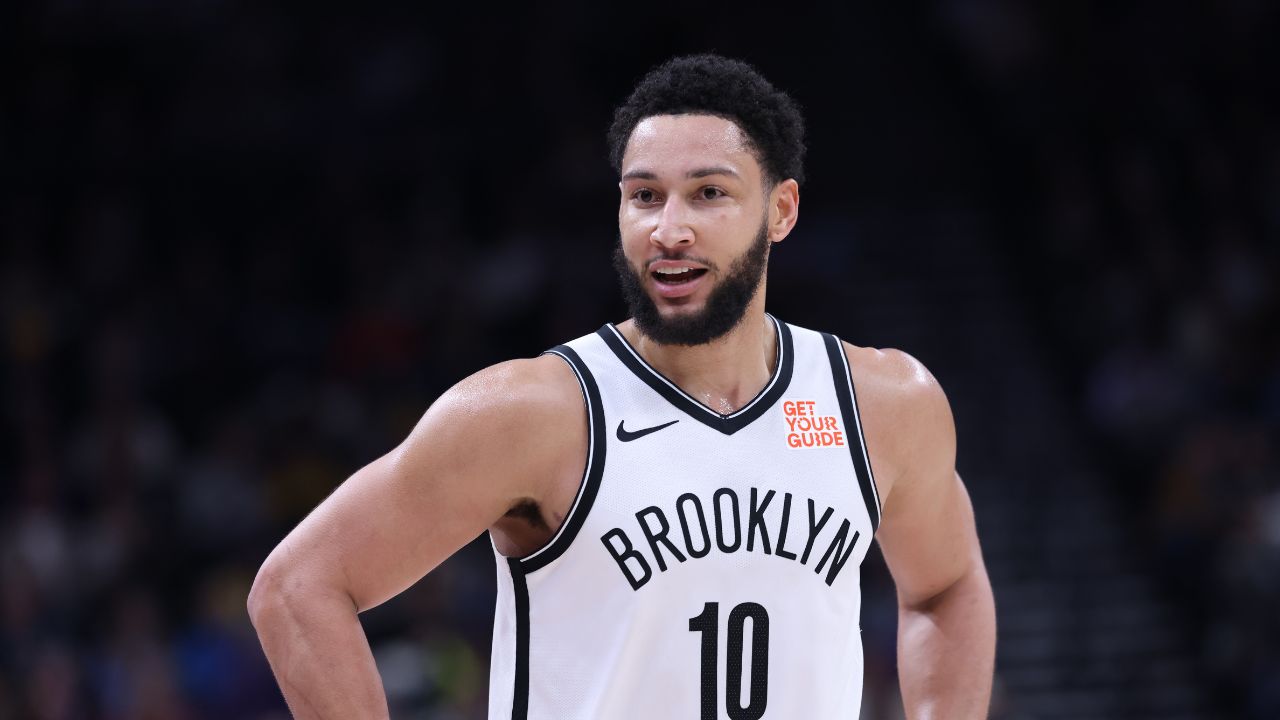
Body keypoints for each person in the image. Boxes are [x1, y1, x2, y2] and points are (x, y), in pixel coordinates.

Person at [248, 53, 996, 719]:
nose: (668, 229)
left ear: (781, 210)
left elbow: (946, 587)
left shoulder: (882, 404)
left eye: (708, 194)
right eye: (645, 196)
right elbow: (296, 589)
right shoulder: (534, 413)